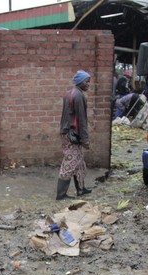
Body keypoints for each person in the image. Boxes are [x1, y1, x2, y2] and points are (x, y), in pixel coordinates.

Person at [57, 69, 92, 200]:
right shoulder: (78, 96)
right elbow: (81, 120)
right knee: (70, 162)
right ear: (80, 82)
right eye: (86, 81)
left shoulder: (69, 94)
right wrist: (85, 140)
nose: (88, 84)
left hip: (67, 132)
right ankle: (61, 195)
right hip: (72, 135)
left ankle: (81, 189)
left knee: (79, 163)